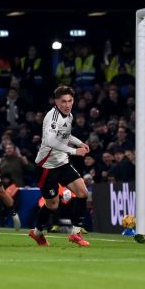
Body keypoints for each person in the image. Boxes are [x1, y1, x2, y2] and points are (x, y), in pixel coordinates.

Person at [28, 86, 91, 247]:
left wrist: (79, 142)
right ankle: (37, 233)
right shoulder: (53, 117)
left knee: (83, 193)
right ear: (56, 102)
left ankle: (75, 233)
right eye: (63, 101)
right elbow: (50, 141)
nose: (67, 104)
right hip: (46, 167)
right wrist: (74, 151)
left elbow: (65, 135)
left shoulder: (68, 115)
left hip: (62, 163)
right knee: (53, 204)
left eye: (70, 101)